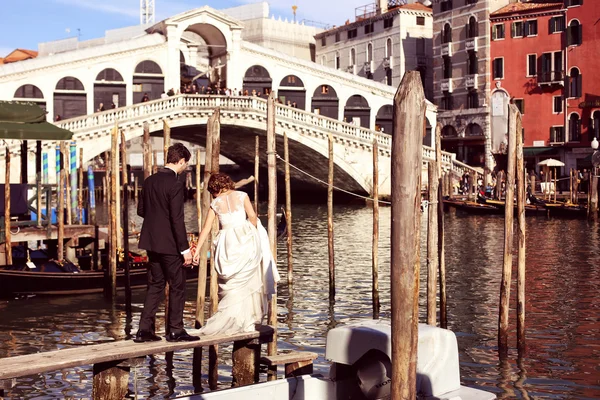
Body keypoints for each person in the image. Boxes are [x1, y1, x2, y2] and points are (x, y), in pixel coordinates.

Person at [192, 173, 280, 336]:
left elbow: (205, 229)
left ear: (215, 189)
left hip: (227, 243)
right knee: (247, 281)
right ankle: (246, 322)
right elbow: (253, 218)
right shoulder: (242, 195)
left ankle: (236, 320)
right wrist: (250, 234)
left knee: (232, 284)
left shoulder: (215, 203)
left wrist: (196, 250)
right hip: (244, 239)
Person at [134, 143, 199, 343]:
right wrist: (185, 249)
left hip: (152, 242)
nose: (185, 167)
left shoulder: (149, 180)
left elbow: (141, 211)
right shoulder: (175, 184)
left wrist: (157, 217)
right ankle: (175, 330)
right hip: (170, 245)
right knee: (178, 286)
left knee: (155, 285)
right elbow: (177, 219)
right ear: (180, 161)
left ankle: (144, 331)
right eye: (185, 164)